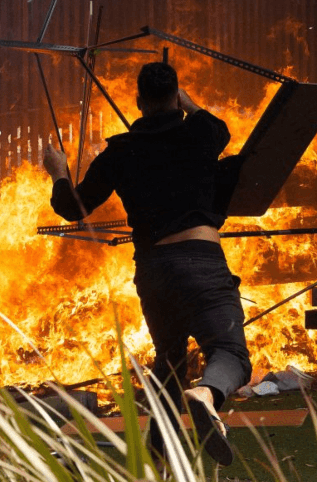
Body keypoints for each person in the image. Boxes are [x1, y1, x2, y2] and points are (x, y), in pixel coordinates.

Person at [43, 61, 252, 466]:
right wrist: (185, 102)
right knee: (229, 351)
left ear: (138, 102)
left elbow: (71, 208)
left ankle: (158, 453)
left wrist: (58, 171)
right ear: (176, 97)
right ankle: (207, 395)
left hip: (155, 272)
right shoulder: (202, 132)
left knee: (170, 361)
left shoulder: (120, 152)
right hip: (201, 261)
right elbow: (217, 125)